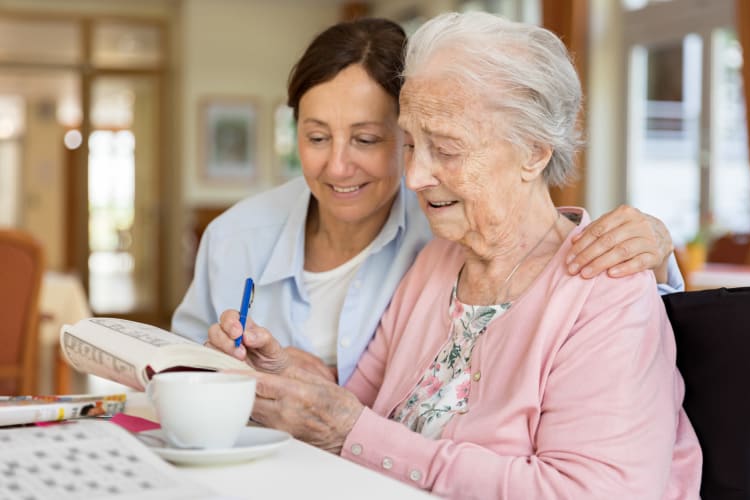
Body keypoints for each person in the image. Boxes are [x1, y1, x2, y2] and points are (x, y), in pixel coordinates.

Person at [209, 12, 702, 498]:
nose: (416, 176)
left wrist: (347, 429)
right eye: (408, 144)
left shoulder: (605, 291)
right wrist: (289, 383)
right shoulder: (436, 264)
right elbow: (359, 408)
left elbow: (589, 492)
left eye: (444, 149)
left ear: (533, 151)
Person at [174, 17, 684, 386]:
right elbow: (176, 368)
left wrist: (658, 259)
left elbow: (613, 332)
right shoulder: (235, 237)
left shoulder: (449, 234)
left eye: (368, 139)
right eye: (316, 137)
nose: (336, 166)